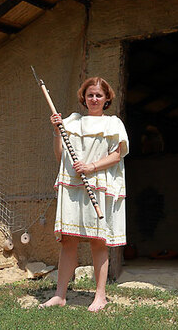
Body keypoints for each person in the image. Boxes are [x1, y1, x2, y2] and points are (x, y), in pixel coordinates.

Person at [40, 77, 129, 312]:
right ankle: (60, 295)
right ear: (84, 97)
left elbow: (117, 155)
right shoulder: (72, 121)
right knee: (68, 239)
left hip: (98, 183)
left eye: (99, 95)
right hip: (73, 185)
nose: (94, 99)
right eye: (90, 95)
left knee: (99, 241)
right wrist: (57, 132)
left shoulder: (113, 123)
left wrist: (91, 167)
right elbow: (61, 158)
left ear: (107, 98)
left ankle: (100, 296)